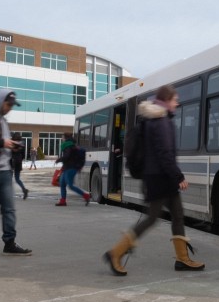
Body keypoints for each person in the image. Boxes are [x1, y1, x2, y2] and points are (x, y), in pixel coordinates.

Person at [104, 85, 204, 276]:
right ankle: (115, 253)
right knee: (152, 218)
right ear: (166, 101)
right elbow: (165, 154)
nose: (177, 103)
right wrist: (179, 176)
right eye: (175, 99)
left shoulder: (152, 120)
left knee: (177, 215)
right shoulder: (161, 121)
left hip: (157, 176)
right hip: (160, 178)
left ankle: (182, 259)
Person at [0, 90, 33, 256]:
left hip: (4, 172)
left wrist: (13, 146)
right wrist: (2, 143)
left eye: (12, 106)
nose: (9, 108)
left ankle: (9, 242)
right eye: (8, 104)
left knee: (9, 209)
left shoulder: (4, 121)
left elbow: (4, 143)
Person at [54, 133, 90, 206]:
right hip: (67, 167)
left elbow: (67, 156)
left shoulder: (68, 146)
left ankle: (86, 196)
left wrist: (59, 159)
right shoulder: (70, 145)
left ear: (66, 138)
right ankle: (63, 201)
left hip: (71, 168)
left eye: (62, 137)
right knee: (62, 184)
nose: (62, 139)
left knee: (70, 185)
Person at [11, 133, 29, 199]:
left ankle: (8, 193)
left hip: (12, 161)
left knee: (8, 178)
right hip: (19, 162)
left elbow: (10, 152)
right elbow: (23, 154)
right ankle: (24, 190)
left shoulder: (12, 143)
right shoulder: (22, 144)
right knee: (17, 179)